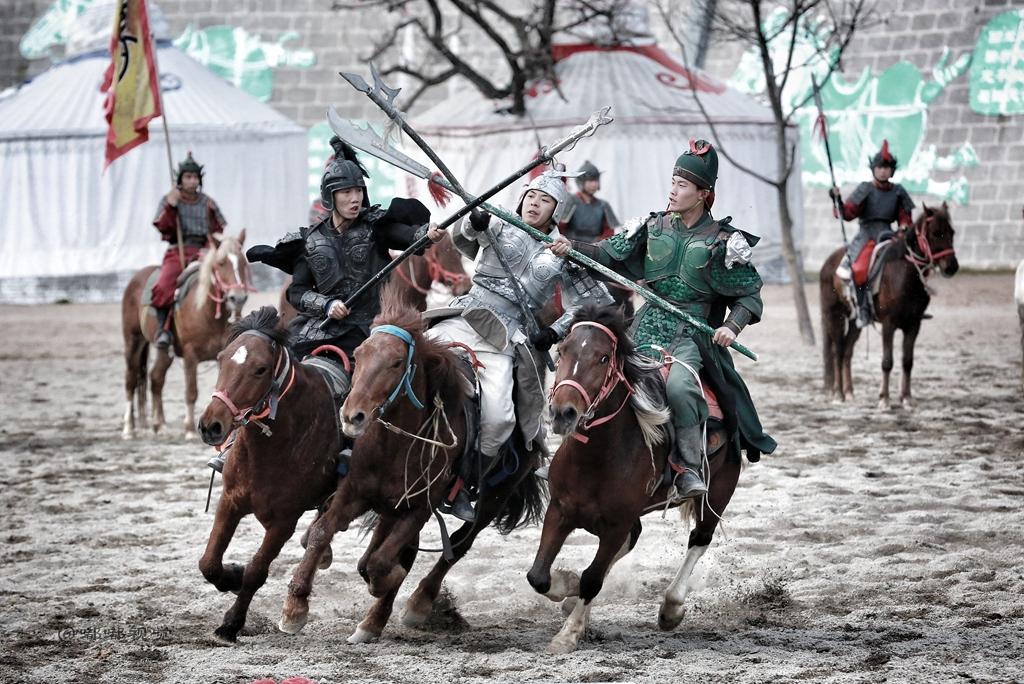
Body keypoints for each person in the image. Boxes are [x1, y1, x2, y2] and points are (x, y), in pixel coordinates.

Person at [552, 139, 775, 502]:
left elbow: (748, 295)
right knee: (596, 373)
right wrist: (571, 247)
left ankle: (687, 468)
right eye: (673, 180)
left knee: (681, 389)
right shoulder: (652, 226)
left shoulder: (721, 243)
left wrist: (731, 326)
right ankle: (570, 457)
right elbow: (605, 253)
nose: (673, 189)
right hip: (642, 326)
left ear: (704, 194)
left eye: (682, 184)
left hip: (689, 335)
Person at [237, 137, 443, 473]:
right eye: (346, 192)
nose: (355, 197)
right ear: (329, 197)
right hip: (320, 327)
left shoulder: (376, 226)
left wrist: (426, 234)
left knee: (363, 383)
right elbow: (297, 292)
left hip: (368, 330)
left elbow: (408, 236)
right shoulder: (310, 239)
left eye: (359, 190)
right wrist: (326, 303)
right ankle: (239, 441)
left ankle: (350, 448)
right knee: (270, 372)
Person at [425, 170, 612, 522]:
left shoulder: (562, 252)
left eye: (544, 201)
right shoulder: (501, 223)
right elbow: (465, 240)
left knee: (499, 419)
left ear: (556, 211)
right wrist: (474, 220)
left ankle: (461, 486)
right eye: (530, 197)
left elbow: (590, 305)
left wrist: (554, 332)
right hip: (465, 315)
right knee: (401, 360)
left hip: (507, 339)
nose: (534, 204)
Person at [829, 139, 915, 327]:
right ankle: (863, 309)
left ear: (892, 170)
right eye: (880, 167)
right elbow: (849, 213)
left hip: (890, 236)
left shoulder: (899, 191)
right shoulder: (865, 189)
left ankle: (913, 307)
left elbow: (905, 216)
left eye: (887, 167)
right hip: (867, 237)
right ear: (874, 169)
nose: (883, 170)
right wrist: (838, 200)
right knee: (858, 271)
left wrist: (903, 227)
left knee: (913, 267)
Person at [151, 151, 227, 350]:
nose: (192, 181)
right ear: (180, 179)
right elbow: (162, 226)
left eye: (195, 177)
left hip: (203, 250)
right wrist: (171, 206)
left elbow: (219, 229)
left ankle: (227, 325)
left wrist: (214, 246)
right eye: (188, 177)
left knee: (225, 280)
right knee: (163, 285)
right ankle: (164, 330)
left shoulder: (208, 203)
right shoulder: (169, 200)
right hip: (178, 250)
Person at [562, 160, 618, 242]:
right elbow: (560, 229)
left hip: (594, 249)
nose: (594, 184)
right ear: (581, 181)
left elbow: (608, 234)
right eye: (590, 180)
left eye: (596, 180)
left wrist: (600, 244)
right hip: (569, 246)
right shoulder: (571, 201)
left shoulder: (603, 206)